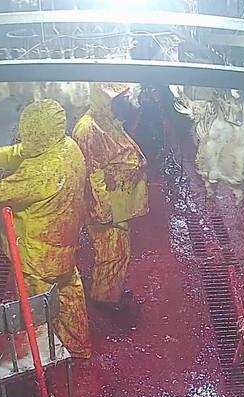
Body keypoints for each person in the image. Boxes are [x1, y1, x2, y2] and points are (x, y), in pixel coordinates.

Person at [0, 99, 92, 359]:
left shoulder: (39, 172)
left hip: (36, 257)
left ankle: (46, 365)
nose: (24, 138)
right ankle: (79, 347)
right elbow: (24, 151)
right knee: (69, 293)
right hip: (64, 245)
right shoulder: (68, 147)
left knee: (36, 312)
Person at [72, 83, 149, 315]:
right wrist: (102, 212)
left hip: (118, 202)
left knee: (119, 251)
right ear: (105, 99)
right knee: (110, 254)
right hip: (107, 207)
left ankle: (111, 290)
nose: (127, 101)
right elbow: (91, 176)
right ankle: (104, 302)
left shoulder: (107, 120)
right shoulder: (89, 129)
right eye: (121, 97)